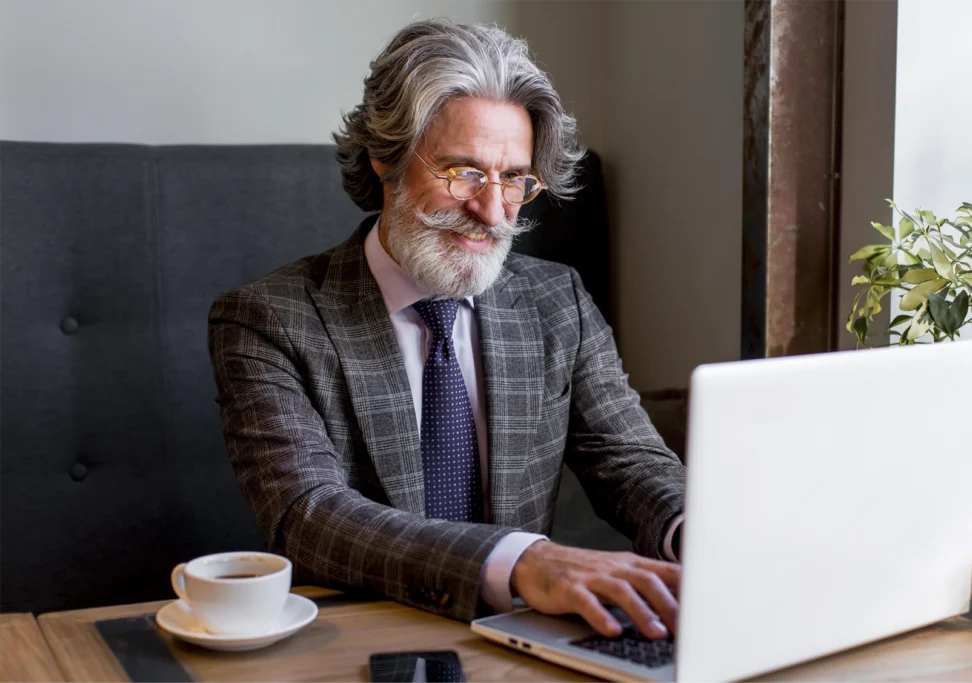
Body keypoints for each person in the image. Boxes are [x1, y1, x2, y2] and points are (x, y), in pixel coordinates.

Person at [208, 18, 685, 641]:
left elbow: (628, 461)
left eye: (514, 178)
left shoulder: (556, 300)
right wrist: (524, 561)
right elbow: (308, 514)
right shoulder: (269, 318)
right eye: (463, 172)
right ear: (386, 156)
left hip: (530, 642)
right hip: (359, 645)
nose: (492, 212)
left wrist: (694, 531)